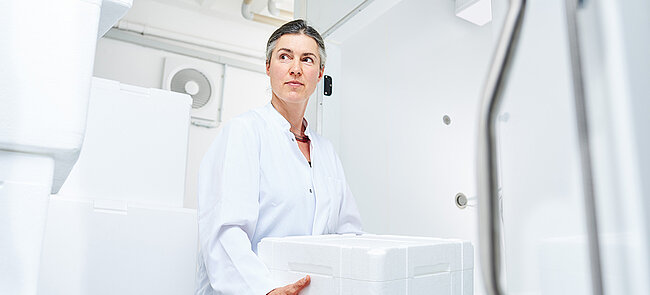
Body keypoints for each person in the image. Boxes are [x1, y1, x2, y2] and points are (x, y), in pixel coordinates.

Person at [195, 19, 363, 295]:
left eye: (307, 60)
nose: (295, 69)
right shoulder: (245, 131)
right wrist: (266, 289)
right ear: (268, 67)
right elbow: (225, 230)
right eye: (284, 57)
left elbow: (349, 235)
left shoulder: (326, 152)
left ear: (320, 74)